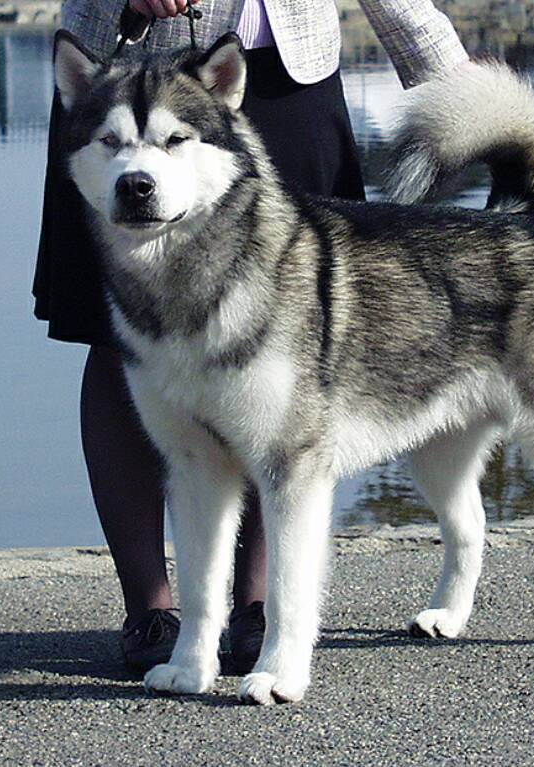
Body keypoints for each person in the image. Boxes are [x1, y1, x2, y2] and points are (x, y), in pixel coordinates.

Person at [33, 0, 468, 673]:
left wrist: (445, 68)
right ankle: (153, 610)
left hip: (288, 72)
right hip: (119, 78)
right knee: (116, 337)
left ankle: (257, 609)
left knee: (288, 354)